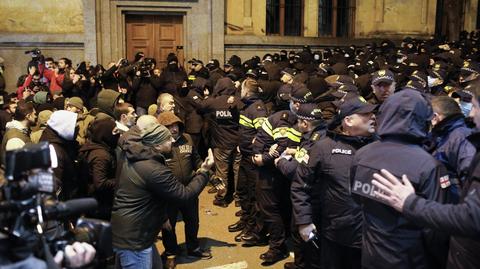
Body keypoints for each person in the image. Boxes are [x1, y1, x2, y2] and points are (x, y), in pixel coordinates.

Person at [370, 84, 480, 269]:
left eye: (475, 106)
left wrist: (411, 202)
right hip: (447, 227)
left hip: (455, 230)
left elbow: (471, 212)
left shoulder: (460, 137)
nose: (471, 114)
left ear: (436, 118)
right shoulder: (440, 136)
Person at [350, 90, 452, 269]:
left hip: (371, 254)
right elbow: (436, 230)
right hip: (411, 259)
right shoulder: (429, 166)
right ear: (423, 120)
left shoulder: (361, 155)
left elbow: (356, 199)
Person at [111, 115, 214, 269]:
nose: (172, 141)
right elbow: (184, 195)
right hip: (135, 238)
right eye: (167, 139)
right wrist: (204, 172)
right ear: (157, 145)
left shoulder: (137, 155)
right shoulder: (153, 169)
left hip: (134, 232)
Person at [290, 98, 376, 269]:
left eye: (373, 113)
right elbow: (301, 186)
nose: (373, 117)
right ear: (348, 121)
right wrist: (304, 221)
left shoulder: (381, 146)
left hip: (374, 237)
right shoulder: (324, 148)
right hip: (337, 235)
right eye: (366, 114)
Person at [157, 111, 211, 266]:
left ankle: (193, 247)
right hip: (169, 193)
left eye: (176, 125)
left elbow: (197, 160)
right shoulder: (159, 145)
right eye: (169, 126)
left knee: (193, 221)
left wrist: (208, 172)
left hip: (190, 189)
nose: (174, 129)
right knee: (168, 226)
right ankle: (171, 254)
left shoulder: (187, 138)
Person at [428, 96, 476, 201]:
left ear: (435, 117)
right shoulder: (442, 135)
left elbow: (469, 175)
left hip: (453, 205)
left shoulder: (461, 136)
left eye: (428, 117)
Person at [78, 118, 119, 220]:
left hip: (95, 203)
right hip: (100, 206)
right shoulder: (101, 155)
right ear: (105, 133)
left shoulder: (94, 147)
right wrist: (120, 181)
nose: (117, 135)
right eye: (114, 131)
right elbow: (100, 183)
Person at [40, 110, 79, 200]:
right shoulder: (53, 151)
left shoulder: (60, 142)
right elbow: (54, 187)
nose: (78, 127)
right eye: (74, 125)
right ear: (64, 127)